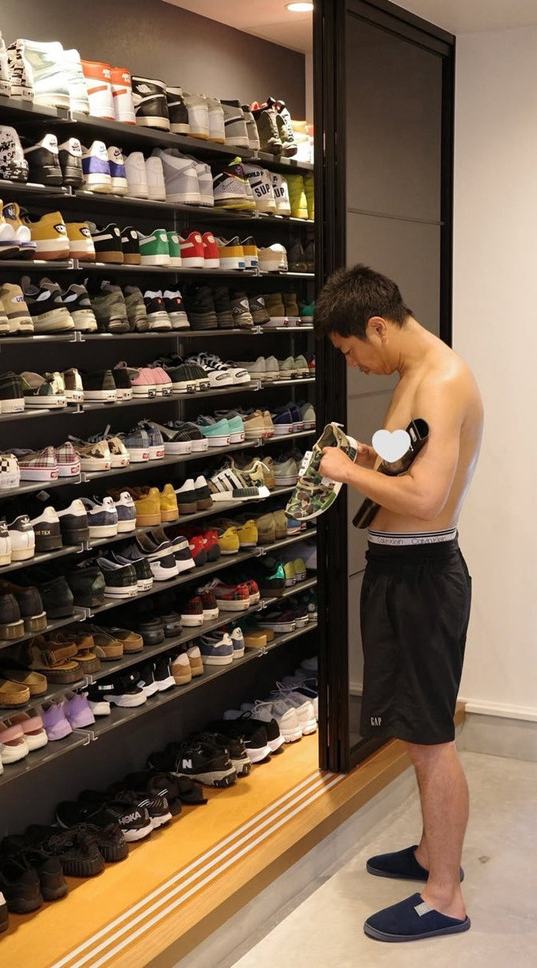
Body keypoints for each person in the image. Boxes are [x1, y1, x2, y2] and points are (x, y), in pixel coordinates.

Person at [313, 264, 483, 943]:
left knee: (431, 741)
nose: (355, 364)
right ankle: (429, 855)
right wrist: (365, 456)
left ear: (377, 326)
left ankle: (445, 898)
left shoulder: (439, 381)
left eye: (352, 350)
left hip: (422, 577)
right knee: (417, 735)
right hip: (402, 572)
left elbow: (427, 498)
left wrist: (345, 473)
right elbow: (407, 466)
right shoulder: (415, 374)